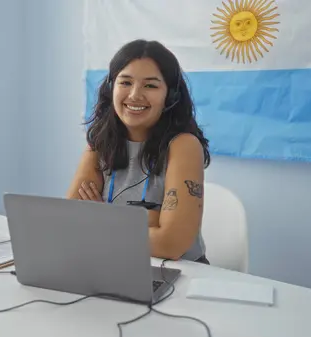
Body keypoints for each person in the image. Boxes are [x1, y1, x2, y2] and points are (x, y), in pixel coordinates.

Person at [66, 39, 211, 263]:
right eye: (125, 82)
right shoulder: (99, 142)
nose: (134, 95)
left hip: (178, 273)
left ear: (170, 96)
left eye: (150, 85)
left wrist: (101, 218)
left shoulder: (184, 146)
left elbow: (171, 244)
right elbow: (69, 223)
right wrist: (150, 219)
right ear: (111, 88)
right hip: (114, 262)